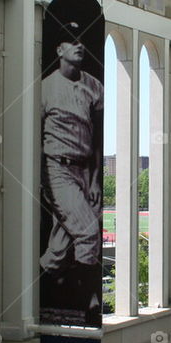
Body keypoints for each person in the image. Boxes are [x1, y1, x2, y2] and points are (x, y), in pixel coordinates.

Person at [40, 17, 104, 324]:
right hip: (57, 168)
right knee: (89, 231)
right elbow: (34, 135)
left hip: (83, 170)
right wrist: (41, 180)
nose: (79, 46)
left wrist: (94, 180)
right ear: (60, 49)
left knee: (60, 249)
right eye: (72, 41)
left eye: (82, 41)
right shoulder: (47, 88)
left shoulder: (94, 86)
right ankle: (86, 302)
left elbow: (96, 140)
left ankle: (47, 281)